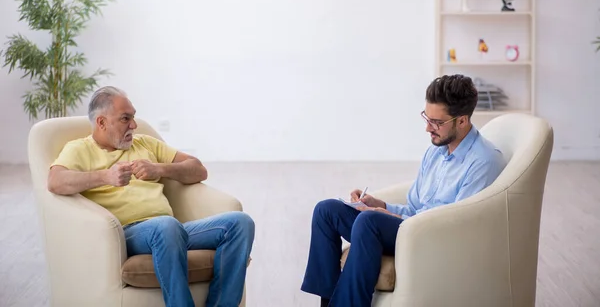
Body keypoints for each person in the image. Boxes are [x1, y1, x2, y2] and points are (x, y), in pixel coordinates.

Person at [300, 74, 507, 307]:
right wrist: (380, 205)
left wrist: (392, 218)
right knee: (326, 211)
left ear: (462, 121)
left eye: (436, 122)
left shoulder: (482, 161)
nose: (428, 128)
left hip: (434, 239)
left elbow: (457, 225)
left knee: (369, 222)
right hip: (411, 226)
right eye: (426, 118)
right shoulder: (436, 150)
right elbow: (415, 207)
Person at [48, 86, 254, 307]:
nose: (134, 125)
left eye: (133, 117)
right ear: (101, 122)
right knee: (166, 226)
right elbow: (55, 181)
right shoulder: (79, 149)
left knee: (241, 223)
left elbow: (198, 169)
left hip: (172, 232)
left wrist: (160, 169)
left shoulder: (145, 143)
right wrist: (106, 176)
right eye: (125, 119)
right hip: (127, 234)